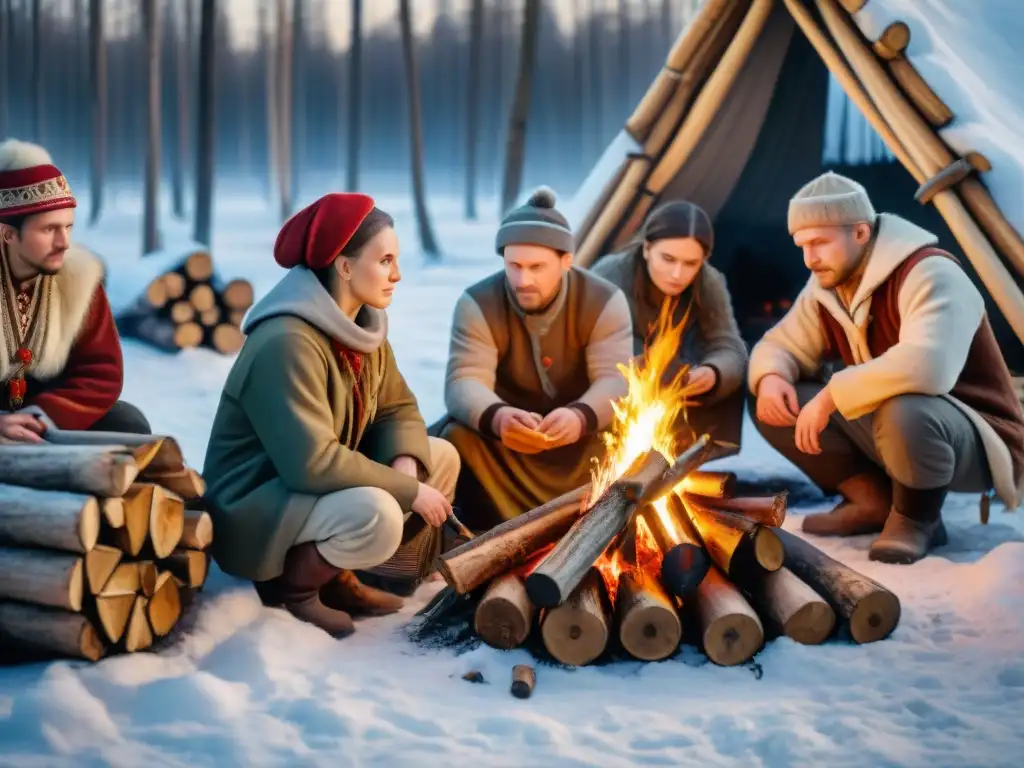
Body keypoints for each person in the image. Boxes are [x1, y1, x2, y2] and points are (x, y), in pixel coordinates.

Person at [202, 193, 461, 636]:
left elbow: (397, 407)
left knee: (439, 456)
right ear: (344, 266)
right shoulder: (287, 342)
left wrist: (406, 463)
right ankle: (293, 589)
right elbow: (312, 463)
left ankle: (344, 572)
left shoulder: (363, 328)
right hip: (261, 500)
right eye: (385, 261)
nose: (396, 274)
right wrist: (407, 491)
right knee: (378, 511)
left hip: (312, 488)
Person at [748, 171, 1024, 564]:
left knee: (905, 407)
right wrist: (773, 376)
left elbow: (929, 367)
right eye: (802, 246)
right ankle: (873, 500)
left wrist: (831, 396)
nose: (810, 258)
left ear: (860, 233)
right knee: (776, 399)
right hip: (893, 428)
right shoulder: (827, 284)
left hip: (975, 437)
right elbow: (781, 344)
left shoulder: (930, 272)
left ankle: (917, 517)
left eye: (820, 243)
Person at [435, 187, 633, 529]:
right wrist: (498, 418)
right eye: (514, 266)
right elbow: (463, 381)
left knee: (630, 437)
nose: (523, 280)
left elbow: (614, 380)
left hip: (582, 441)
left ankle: (597, 523)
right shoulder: (477, 302)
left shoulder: (604, 300)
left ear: (566, 261)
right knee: (457, 437)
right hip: (507, 444)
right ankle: (478, 531)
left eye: (537, 267)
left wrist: (580, 417)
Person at [0, 138, 150, 441]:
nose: (64, 242)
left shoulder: (78, 280)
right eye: (48, 229)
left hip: (45, 419)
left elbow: (101, 373)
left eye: (68, 227)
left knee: (127, 422)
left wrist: (40, 417)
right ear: (8, 234)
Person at [590, 199, 748, 453]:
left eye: (690, 264)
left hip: (679, 381)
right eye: (668, 259)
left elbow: (728, 344)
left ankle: (685, 459)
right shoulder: (609, 277)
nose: (677, 274)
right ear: (646, 248)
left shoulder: (709, 282)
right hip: (619, 374)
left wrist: (713, 373)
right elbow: (593, 345)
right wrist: (647, 369)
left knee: (734, 375)